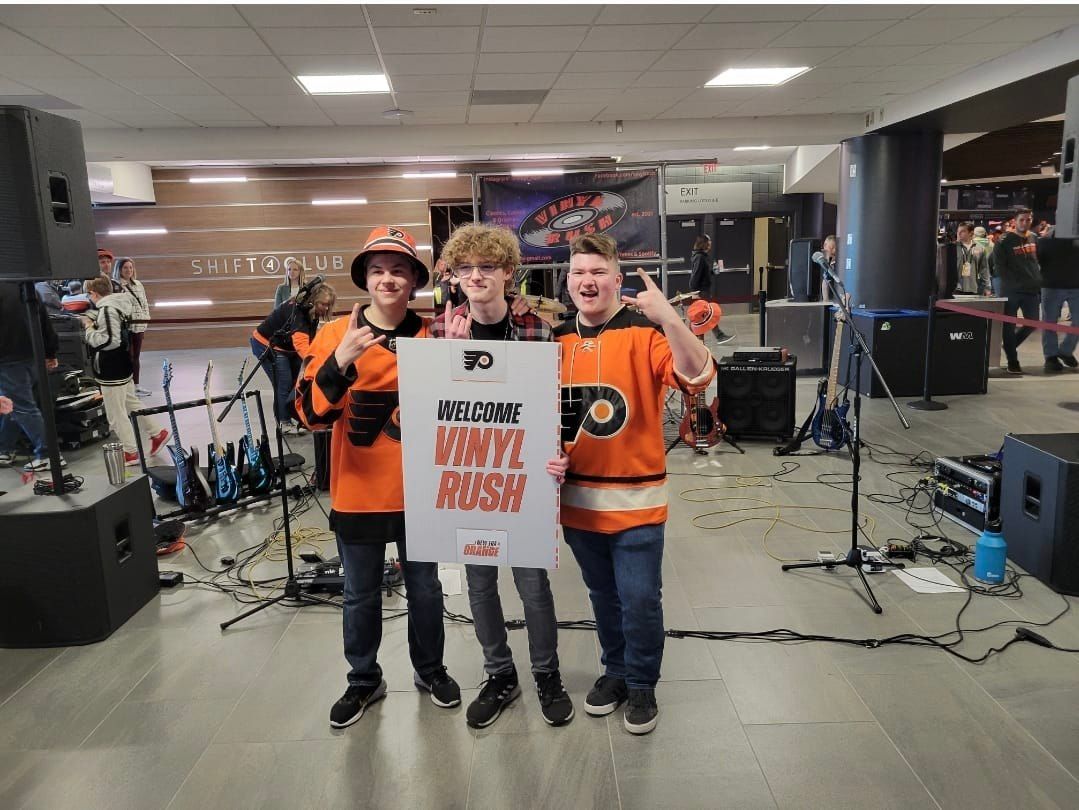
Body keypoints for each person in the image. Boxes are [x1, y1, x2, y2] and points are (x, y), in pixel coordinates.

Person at [296, 226, 461, 729]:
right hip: (359, 493)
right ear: (365, 279)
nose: (388, 279)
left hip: (423, 494)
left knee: (427, 589)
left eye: (398, 270)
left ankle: (430, 670)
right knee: (360, 593)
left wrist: (461, 357)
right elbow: (309, 416)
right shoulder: (332, 335)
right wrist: (341, 361)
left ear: (414, 281)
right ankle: (363, 679)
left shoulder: (437, 333)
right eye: (377, 270)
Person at [554, 234, 714, 735]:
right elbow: (546, 419)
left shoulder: (646, 334)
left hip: (637, 502)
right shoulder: (554, 342)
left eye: (599, 271)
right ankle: (616, 671)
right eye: (579, 271)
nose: (588, 281)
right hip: (578, 503)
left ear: (618, 280)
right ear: (567, 280)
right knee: (602, 595)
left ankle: (643, 682)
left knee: (640, 597)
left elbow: (698, 375)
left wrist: (669, 317)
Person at [431, 223, 574, 729]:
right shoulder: (438, 334)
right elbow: (431, 412)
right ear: (453, 276)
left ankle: (546, 674)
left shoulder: (538, 330)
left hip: (525, 481)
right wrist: (449, 354)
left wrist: (561, 453)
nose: (475, 276)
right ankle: (500, 675)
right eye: (464, 268)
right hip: (472, 480)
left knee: (533, 587)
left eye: (486, 267)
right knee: (479, 587)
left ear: (508, 272)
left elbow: (558, 405)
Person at [83, 278, 169, 466]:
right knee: (131, 402)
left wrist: (89, 329)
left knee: (116, 413)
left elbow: (108, 340)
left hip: (110, 368)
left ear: (93, 294)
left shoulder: (107, 310)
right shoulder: (118, 305)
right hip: (123, 363)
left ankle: (130, 451)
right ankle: (157, 433)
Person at [251, 283, 336, 433]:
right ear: (313, 301)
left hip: (286, 346)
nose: (327, 308)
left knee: (299, 380)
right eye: (323, 304)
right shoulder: (299, 312)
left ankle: (300, 418)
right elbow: (301, 345)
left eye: (329, 305)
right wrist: (317, 364)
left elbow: (310, 339)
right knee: (284, 383)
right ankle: (284, 422)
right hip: (267, 344)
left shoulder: (311, 312)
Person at [0, 282, 63, 471]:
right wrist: (50, 352)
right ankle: (4, 448)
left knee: (23, 407)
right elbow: (44, 319)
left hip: (8, 358)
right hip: (32, 354)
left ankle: (48, 454)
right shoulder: (24, 286)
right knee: (12, 403)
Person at [992, 207, 1042, 375]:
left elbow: (1036, 262)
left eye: (1028, 219)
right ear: (1015, 221)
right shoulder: (1004, 240)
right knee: (1009, 326)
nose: (1025, 222)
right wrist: (1011, 283)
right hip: (1011, 290)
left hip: (1031, 289)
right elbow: (999, 266)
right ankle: (1013, 360)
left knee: (1033, 322)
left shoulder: (1034, 238)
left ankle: (1009, 346)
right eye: (1022, 219)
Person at [1038, 235, 1079, 373]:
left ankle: (1066, 351)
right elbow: (1038, 261)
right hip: (1051, 285)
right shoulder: (1045, 240)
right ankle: (1051, 357)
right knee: (1049, 323)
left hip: (1076, 286)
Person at [112, 257, 151, 396]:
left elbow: (145, 302)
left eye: (130, 267)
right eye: (125, 268)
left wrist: (146, 318)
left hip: (139, 325)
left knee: (136, 357)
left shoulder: (138, 284)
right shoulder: (116, 286)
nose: (128, 270)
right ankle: (128, 387)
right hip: (127, 327)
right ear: (119, 270)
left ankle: (137, 385)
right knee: (128, 356)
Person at [688, 234, 733, 345]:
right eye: (709, 242)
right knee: (703, 314)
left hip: (703, 289)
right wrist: (695, 292)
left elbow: (704, 272)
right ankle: (717, 336)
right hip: (700, 291)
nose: (710, 244)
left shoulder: (703, 256)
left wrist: (713, 270)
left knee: (702, 314)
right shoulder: (700, 257)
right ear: (704, 244)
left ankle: (696, 338)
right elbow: (695, 275)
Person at [955, 222, 993, 296]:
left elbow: (984, 270)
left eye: (962, 231)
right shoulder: (952, 248)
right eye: (958, 231)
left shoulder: (979, 249)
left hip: (973, 288)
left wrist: (987, 287)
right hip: (955, 289)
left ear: (971, 233)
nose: (959, 233)